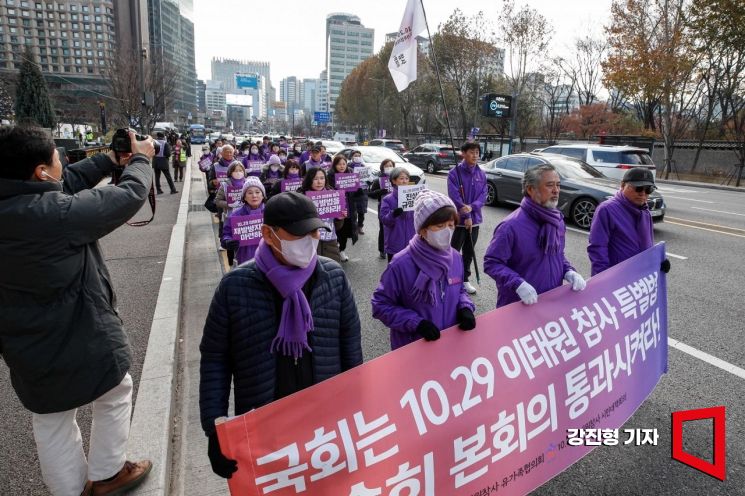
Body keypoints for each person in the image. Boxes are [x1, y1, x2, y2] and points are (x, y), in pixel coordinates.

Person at [0, 127, 155, 495]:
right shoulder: (56, 214)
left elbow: (62, 181)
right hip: (80, 329)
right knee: (116, 389)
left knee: (51, 416)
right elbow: (128, 195)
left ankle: (69, 491)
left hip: (22, 341)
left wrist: (107, 160)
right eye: (57, 156)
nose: (63, 162)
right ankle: (107, 474)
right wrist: (141, 160)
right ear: (40, 171)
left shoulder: (20, 201)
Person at [200, 191, 363, 479]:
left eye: (314, 232)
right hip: (267, 420)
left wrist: (358, 408)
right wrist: (215, 429)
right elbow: (216, 358)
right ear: (268, 233)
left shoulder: (333, 277)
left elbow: (350, 347)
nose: (309, 240)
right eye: (298, 234)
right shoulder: (235, 286)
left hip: (325, 419)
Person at [372, 190, 476, 350]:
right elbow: (380, 305)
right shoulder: (400, 263)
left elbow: (459, 289)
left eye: (450, 225)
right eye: (440, 226)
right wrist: (416, 323)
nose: (447, 231)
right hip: (414, 348)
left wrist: (465, 307)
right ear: (422, 230)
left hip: (449, 345)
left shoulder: (455, 257)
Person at [484, 164, 587, 308]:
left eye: (558, 185)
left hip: (550, 303)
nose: (556, 190)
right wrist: (517, 283)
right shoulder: (510, 226)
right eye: (550, 185)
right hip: (519, 305)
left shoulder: (557, 221)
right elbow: (492, 262)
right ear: (531, 189)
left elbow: (557, 254)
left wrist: (569, 271)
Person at [588, 167, 671, 275]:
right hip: (618, 277)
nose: (643, 193)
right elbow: (597, 248)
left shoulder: (645, 212)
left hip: (638, 278)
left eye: (648, 189)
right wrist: (603, 279)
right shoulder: (607, 209)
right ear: (623, 185)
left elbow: (647, 247)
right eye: (638, 188)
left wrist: (658, 261)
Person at [448, 142, 487, 295]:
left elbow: (483, 196)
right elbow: (454, 196)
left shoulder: (481, 173)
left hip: (475, 220)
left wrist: (472, 208)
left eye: (477, 152)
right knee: (454, 251)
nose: (475, 155)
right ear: (463, 153)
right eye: (472, 152)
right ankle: (450, 277)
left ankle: (465, 279)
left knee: (469, 251)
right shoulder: (454, 173)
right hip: (459, 221)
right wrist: (466, 214)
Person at [300, 167, 345, 263]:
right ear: (309, 180)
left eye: (322, 178)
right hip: (309, 245)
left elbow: (337, 227)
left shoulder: (333, 195)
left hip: (330, 244)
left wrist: (339, 218)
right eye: (315, 179)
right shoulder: (301, 197)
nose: (319, 182)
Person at [221, 176, 266, 265]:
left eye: (257, 192)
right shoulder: (236, 215)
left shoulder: (271, 213)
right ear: (244, 197)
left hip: (267, 260)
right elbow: (226, 234)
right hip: (245, 261)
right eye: (250, 193)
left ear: (263, 195)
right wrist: (227, 241)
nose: (254, 196)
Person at [380, 167, 415, 262]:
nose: (405, 181)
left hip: (412, 242)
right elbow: (385, 221)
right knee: (394, 271)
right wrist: (393, 214)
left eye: (407, 178)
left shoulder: (415, 196)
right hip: (395, 242)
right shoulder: (387, 199)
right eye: (401, 178)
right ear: (394, 181)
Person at [215, 161, 247, 266]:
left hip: (246, 218)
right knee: (231, 242)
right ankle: (230, 263)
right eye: (235, 170)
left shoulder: (248, 183)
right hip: (230, 218)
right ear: (230, 172)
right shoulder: (224, 185)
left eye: (240, 170)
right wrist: (229, 204)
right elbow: (217, 201)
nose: (238, 173)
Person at [328, 155, 358, 263]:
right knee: (335, 231)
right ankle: (333, 251)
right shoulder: (329, 176)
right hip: (335, 209)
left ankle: (342, 250)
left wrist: (360, 188)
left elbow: (358, 194)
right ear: (335, 165)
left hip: (348, 209)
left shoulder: (351, 176)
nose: (341, 166)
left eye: (343, 164)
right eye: (339, 164)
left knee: (344, 232)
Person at [368, 159, 395, 259]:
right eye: (386, 166)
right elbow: (370, 194)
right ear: (382, 167)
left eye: (391, 165)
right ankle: (382, 250)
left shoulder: (397, 178)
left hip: (395, 207)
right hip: (383, 207)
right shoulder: (378, 180)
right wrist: (380, 191)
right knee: (383, 229)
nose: (389, 167)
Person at [349, 150, 369, 235]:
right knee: (352, 212)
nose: (357, 157)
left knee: (361, 211)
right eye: (355, 155)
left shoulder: (364, 167)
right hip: (352, 192)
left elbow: (368, 179)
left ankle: (360, 226)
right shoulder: (348, 167)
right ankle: (353, 227)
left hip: (362, 192)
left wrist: (369, 181)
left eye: (359, 156)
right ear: (352, 157)